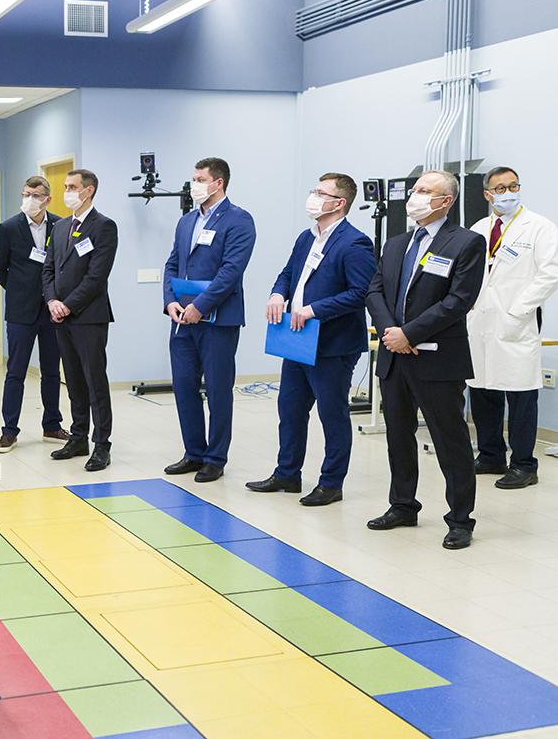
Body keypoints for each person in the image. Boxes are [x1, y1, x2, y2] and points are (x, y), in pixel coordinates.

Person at [365, 170, 486, 550]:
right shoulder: (397, 243)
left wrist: (410, 334)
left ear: (445, 201)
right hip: (394, 356)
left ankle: (460, 519)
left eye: (424, 191)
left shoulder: (466, 242)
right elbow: (375, 290)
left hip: (437, 359)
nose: (414, 196)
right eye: (415, 190)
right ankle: (402, 505)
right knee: (398, 436)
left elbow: (459, 300)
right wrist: (390, 333)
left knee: (450, 442)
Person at [247, 173, 376, 506]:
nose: (314, 197)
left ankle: (332, 483)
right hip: (297, 339)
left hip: (333, 344)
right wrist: (278, 294)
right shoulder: (307, 237)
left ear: (339, 202)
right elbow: (289, 273)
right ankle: (287, 473)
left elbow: (360, 293)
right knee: (290, 409)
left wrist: (315, 309)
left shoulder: (355, 242)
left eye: (321, 192)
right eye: (314, 190)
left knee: (332, 415)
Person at [162, 157, 256, 483]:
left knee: (217, 390)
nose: (194, 185)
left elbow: (231, 271)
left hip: (218, 320)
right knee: (184, 387)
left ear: (218, 183)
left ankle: (215, 458)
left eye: (200, 179)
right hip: (182, 320)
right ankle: (193, 452)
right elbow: (173, 263)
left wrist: (200, 306)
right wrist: (170, 301)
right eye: (193, 178)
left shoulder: (239, 220)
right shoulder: (187, 221)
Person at [466, 166, 558, 489]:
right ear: (487, 194)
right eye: (501, 188)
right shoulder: (479, 229)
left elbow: (550, 273)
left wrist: (519, 309)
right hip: (480, 322)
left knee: (520, 396)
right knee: (482, 390)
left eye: (514, 186)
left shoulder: (540, 228)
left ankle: (523, 464)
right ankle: (491, 455)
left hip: (516, 323)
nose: (508, 192)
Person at [41, 168, 118, 472]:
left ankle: (102, 443)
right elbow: (48, 269)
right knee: (72, 378)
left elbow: (97, 276)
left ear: (89, 191)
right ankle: (78, 435)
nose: (67, 192)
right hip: (60, 316)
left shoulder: (104, 227)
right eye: (65, 186)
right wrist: (52, 301)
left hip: (89, 317)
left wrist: (69, 305)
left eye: (72, 187)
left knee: (94, 379)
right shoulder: (60, 227)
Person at [0, 175, 68, 453]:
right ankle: (9, 430)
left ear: (47, 199)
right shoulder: (9, 227)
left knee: (51, 371)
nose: (29, 200)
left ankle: (52, 424)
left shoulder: (61, 225)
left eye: (35, 195)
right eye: (26, 194)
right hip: (21, 311)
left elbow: (65, 265)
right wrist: (19, 290)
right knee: (16, 372)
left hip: (52, 310)